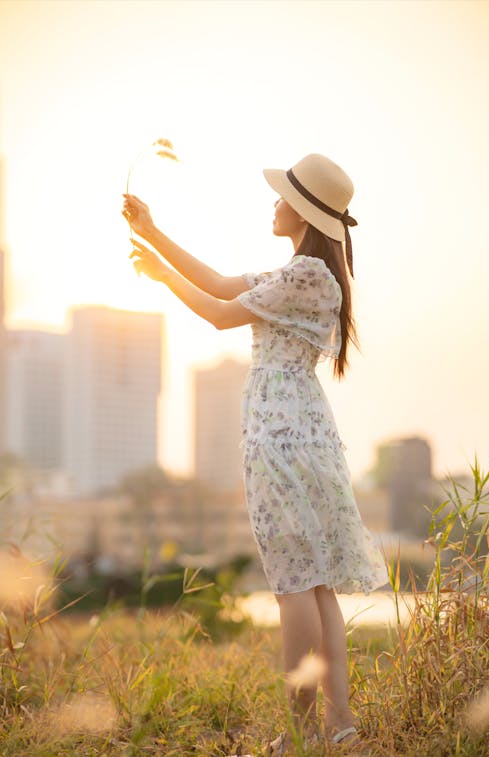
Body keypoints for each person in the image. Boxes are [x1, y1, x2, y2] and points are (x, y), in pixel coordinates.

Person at [122, 153, 389, 755]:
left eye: (280, 197)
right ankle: (338, 725)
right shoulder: (306, 275)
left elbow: (218, 313)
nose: (272, 203)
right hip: (305, 433)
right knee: (316, 585)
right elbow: (219, 284)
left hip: (278, 434)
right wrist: (152, 233)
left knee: (294, 582)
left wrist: (161, 274)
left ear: (304, 212)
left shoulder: (302, 278)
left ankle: (294, 736)